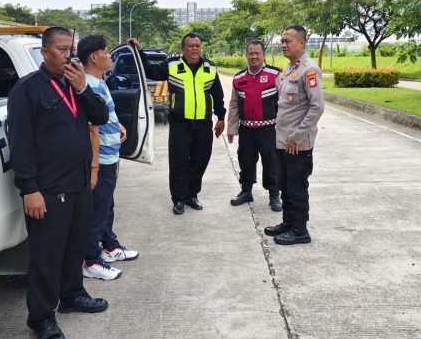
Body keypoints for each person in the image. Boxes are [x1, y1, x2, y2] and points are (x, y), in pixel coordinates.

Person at [7, 27, 109, 339]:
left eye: (72, 49)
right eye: (62, 49)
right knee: (46, 255)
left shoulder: (76, 85)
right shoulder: (27, 90)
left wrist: (83, 89)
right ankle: (41, 316)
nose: (69, 55)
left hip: (78, 185)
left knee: (75, 247)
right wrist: (29, 188)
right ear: (45, 52)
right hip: (48, 191)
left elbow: (101, 115)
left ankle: (73, 294)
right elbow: (20, 144)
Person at [127, 33, 225, 215]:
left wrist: (221, 117)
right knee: (178, 163)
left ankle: (192, 195)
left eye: (197, 45)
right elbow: (151, 71)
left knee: (200, 161)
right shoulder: (172, 65)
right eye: (190, 46)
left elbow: (217, 95)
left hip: (203, 124)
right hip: (180, 124)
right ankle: (179, 198)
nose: (194, 49)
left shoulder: (209, 68)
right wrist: (139, 51)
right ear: (183, 49)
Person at [76, 34, 139, 281]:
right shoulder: (89, 85)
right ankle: (90, 260)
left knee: (107, 206)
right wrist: (93, 166)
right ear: (94, 57)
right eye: (106, 51)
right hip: (100, 159)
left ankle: (109, 246)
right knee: (97, 210)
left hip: (110, 156)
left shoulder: (99, 82)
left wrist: (119, 124)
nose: (110, 56)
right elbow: (92, 127)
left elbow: (105, 115)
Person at [264, 25, 325, 245]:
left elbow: (317, 107)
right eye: (282, 41)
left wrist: (297, 136)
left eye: (288, 41)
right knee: (285, 185)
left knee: (297, 187)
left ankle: (300, 230)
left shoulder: (309, 70)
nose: (284, 44)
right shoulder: (288, 70)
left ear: (302, 42)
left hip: (297, 144)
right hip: (283, 141)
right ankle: (288, 222)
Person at [227, 40, 282, 212]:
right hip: (246, 131)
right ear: (246, 55)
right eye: (251, 53)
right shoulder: (238, 78)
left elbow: (284, 104)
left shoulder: (276, 75)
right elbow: (234, 104)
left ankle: (274, 195)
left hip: (269, 130)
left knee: (271, 162)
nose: (254, 56)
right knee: (246, 161)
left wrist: (284, 129)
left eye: (257, 53)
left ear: (264, 54)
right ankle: (246, 191)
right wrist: (231, 128)